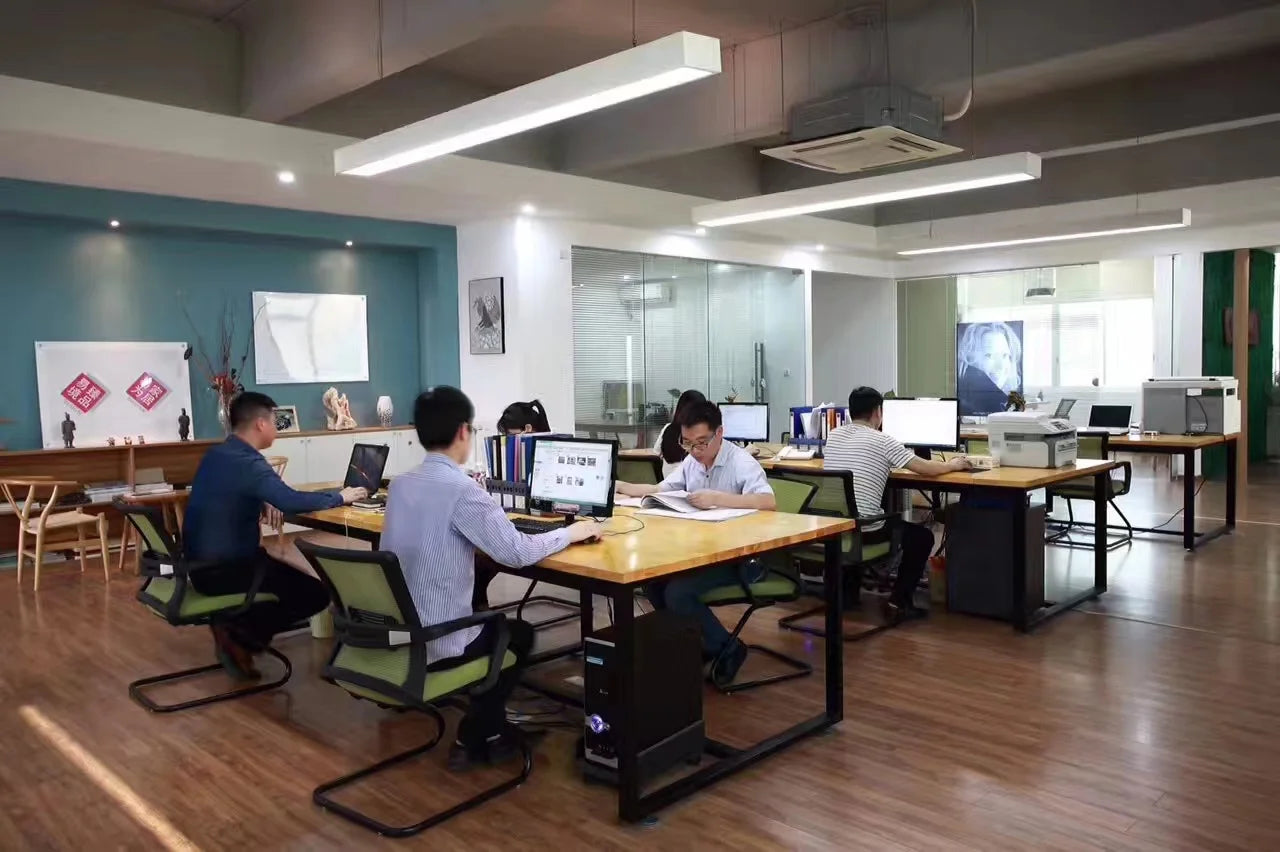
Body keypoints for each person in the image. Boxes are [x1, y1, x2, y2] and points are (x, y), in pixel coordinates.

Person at [381, 386, 601, 770]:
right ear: (463, 431)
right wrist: (572, 533)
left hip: (397, 634)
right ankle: (475, 734)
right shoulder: (463, 490)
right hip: (435, 640)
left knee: (491, 620)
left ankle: (494, 732)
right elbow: (516, 553)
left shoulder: (400, 484)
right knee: (517, 634)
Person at [183, 392, 368, 679]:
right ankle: (239, 636)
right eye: (273, 421)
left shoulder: (218, 454)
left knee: (285, 580)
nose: (276, 427)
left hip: (199, 566)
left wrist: (261, 500)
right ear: (260, 424)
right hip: (229, 570)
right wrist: (340, 497)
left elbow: (229, 494)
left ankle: (232, 623)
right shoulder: (249, 463)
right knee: (316, 595)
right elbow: (290, 500)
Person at [616, 401, 775, 685]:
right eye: (687, 443)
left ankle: (727, 647)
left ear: (719, 433)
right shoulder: (692, 461)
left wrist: (719, 499)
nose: (695, 450)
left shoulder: (741, 462)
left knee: (678, 592)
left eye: (701, 442)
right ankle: (696, 643)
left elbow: (768, 501)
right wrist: (623, 488)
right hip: (704, 553)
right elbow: (662, 489)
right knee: (653, 583)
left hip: (742, 558)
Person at [823, 387, 971, 623]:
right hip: (865, 530)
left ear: (851, 412)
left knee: (868, 513)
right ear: (878, 412)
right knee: (923, 537)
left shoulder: (833, 436)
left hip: (833, 528)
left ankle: (848, 593)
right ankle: (898, 602)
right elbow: (926, 468)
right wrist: (953, 465)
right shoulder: (883, 440)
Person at [957, 321, 1022, 416]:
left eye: (1005, 355)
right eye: (990, 355)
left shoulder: (1009, 402)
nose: (1000, 366)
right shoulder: (964, 407)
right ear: (970, 359)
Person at [654, 389, 707, 477]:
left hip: (668, 483)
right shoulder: (701, 433)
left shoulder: (667, 428)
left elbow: (656, 453)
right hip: (691, 483)